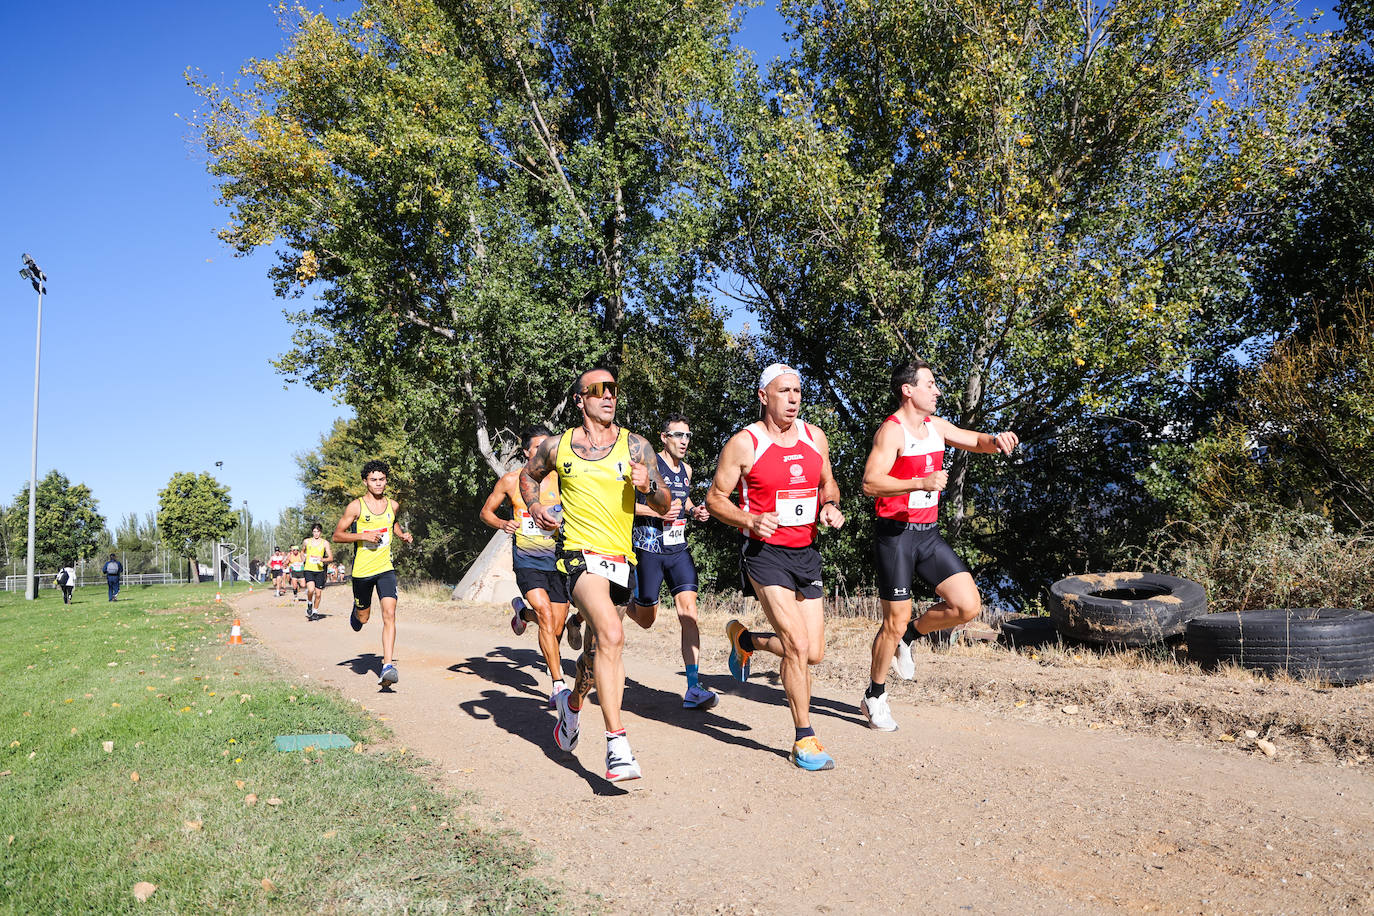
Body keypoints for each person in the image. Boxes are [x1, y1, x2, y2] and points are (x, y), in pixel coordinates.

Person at [520, 367, 670, 783]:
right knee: (613, 634)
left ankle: (571, 706)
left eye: (613, 390)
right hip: (577, 556)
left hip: (621, 559)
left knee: (595, 654)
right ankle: (617, 745)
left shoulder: (635, 446)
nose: (609, 396)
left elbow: (664, 502)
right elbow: (526, 477)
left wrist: (649, 487)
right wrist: (535, 508)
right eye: (598, 390)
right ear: (579, 399)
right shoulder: (557, 446)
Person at [859, 359, 1018, 730]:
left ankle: (912, 636)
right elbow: (870, 483)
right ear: (908, 390)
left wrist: (997, 441)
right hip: (895, 535)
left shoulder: (936, 427)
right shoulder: (892, 432)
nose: (937, 391)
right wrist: (919, 482)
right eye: (930, 384)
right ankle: (875, 694)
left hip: (927, 534)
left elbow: (975, 440)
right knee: (893, 621)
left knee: (967, 605)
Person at [705, 364, 845, 771]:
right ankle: (805, 738)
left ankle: (746, 641)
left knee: (812, 652)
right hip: (764, 555)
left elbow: (827, 485)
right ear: (764, 396)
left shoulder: (814, 437)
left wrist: (830, 507)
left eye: (798, 390)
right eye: (784, 391)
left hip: (805, 552)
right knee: (797, 646)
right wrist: (749, 520)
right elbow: (715, 499)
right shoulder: (744, 444)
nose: (794, 398)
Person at [480, 425, 580, 705]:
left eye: (549, 446)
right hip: (527, 560)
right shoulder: (512, 481)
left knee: (556, 625)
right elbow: (486, 512)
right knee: (547, 617)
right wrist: (503, 523)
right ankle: (558, 683)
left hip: (558, 560)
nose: (545, 451)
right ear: (526, 452)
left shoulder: (562, 480)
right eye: (538, 447)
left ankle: (523, 615)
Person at [625, 415, 718, 710]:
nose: (684, 441)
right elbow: (626, 505)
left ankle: (693, 687)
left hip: (678, 549)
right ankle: (617, 602)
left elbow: (684, 501)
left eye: (687, 436)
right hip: (649, 548)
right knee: (647, 619)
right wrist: (657, 515)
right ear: (663, 437)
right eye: (678, 435)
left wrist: (695, 511)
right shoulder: (648, 467)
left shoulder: (687, 470)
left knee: (688, 612)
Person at [333, 460, 414, 687]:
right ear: (365, 482)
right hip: (362, 571)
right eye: (373, 480)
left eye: (382, 479)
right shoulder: (356, 507)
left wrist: (401, 535)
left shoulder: (393, 505)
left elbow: (392, 522)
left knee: (390, 614)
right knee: (364, 618)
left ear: (386, 480)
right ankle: (357, 611)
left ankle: (387, 666)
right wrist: (363, 536)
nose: (378, 484)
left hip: (385, 568)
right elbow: (337, 535)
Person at [302, 522, 334, 621]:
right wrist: (303, 557)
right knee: (311, 590)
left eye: (318, 532)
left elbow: (331, 558)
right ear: (312, 532)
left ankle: (315, 612)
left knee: (319, 594)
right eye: (314, 532)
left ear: (321, 532)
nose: (316, 534)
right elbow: (302, 551)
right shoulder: (307, 541)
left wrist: (322, 559)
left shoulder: (325, 543)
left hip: (320, 570)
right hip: (309, 569)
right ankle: (309, 603)